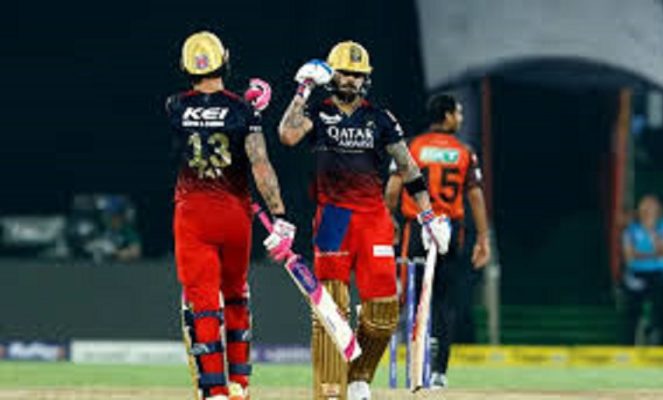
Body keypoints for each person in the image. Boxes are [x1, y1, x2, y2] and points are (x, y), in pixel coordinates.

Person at [278, 41, 451, 400]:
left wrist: (428, 216)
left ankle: (358, 377)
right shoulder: (318, 112)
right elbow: (287, 135)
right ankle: (329, 392)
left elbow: (408, 168)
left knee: (385, 313)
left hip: (373, 219)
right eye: (344, 73)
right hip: (333, 218)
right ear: (331, 75)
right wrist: (303, 90)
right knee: (330, 311)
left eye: (357, 75)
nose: (351, 80)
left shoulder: (381, 118)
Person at [165, 31, 295, 400]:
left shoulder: (174, 105)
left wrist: (246, 108)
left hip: (193, 214)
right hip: (235, 214)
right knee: (236, 295)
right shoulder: (243, 111)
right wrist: (279, 214)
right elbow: (260, 164)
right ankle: (240, 384)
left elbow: (202, 115)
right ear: (225, 59)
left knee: (204, 303)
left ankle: (216, 390)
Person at [384, 93, 490, 388]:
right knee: (444, 301)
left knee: (409, 294)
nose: (461, 118)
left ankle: (410, 361)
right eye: (458, 113)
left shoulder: (412, 147)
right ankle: (439, 371)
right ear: (447, 115)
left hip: (417, 227)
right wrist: (483, 238)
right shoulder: (464, 152)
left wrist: (389, 220)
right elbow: (475, 196)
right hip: (450, 231)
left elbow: (392, 190)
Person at [622, 194, 663, 345]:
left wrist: (651, 232)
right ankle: (627, 346)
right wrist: (654, 254)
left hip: (658, 274)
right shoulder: (631, 230)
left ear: (658, 211)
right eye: (644, 207)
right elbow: (629, 257)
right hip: (636, 274)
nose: (647, 211)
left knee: (662, 311)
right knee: (631, 313)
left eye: (651, 207)